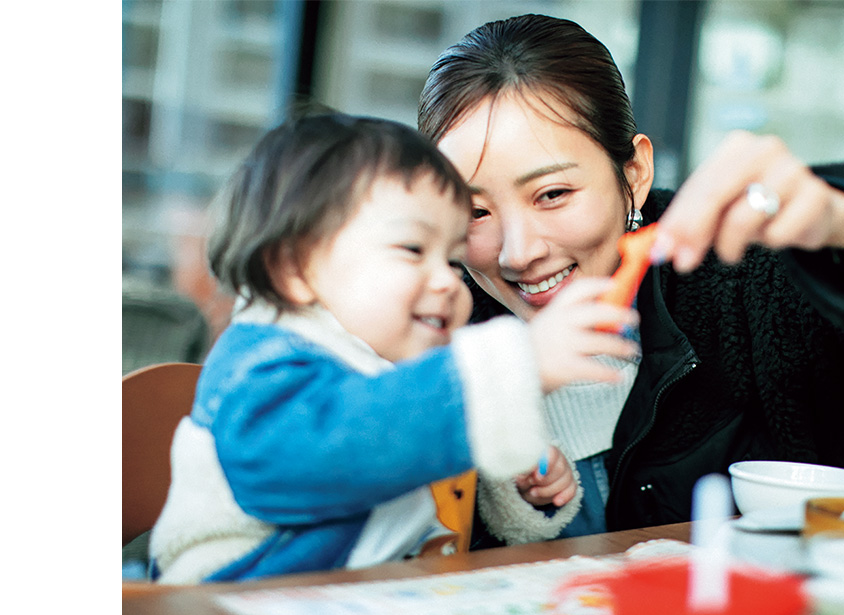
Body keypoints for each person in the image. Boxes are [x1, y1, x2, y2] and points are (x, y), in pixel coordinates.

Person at [416, 14, 844, 546]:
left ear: (634, 173)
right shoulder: (421, 333)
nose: (520, 253)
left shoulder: (747, 279)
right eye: (474, 211)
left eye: (553, 193)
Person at [147, 110, 639, 583]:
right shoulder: (261, 366)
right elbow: (337, 452)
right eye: (412, 250)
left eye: (451, 259)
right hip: (228, 605)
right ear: (296, 270)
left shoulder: (392, 365)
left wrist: (514, 488)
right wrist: (518, 365)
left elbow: (412, 459)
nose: (448, 282)